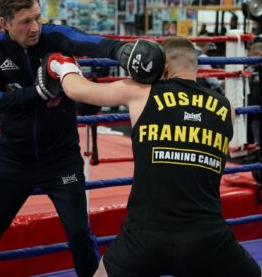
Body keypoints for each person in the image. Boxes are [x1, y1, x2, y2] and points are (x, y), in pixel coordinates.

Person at [0, 0, 163, 277]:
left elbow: (86, 41)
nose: (34, 27)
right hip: (12, 159)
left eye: (37, 17)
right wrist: (37, 92)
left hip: (60, 158)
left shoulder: (52, 36)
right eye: (25, 22)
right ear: (6, 23)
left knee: (78, 234)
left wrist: (120, 51)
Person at [44, 37, 261, 277]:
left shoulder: (142, 92)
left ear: (162, 66)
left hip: (144, 236)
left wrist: (60, 63)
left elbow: (77, 90)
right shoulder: (225, 108)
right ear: (195, 66)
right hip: (206, 236)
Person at [247, 41, 262, 146]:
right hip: (255, 105)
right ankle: (257, 151)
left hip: (257, 105)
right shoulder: (255, 68)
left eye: (251, 57)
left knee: (255, 125)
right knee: (254, 125)